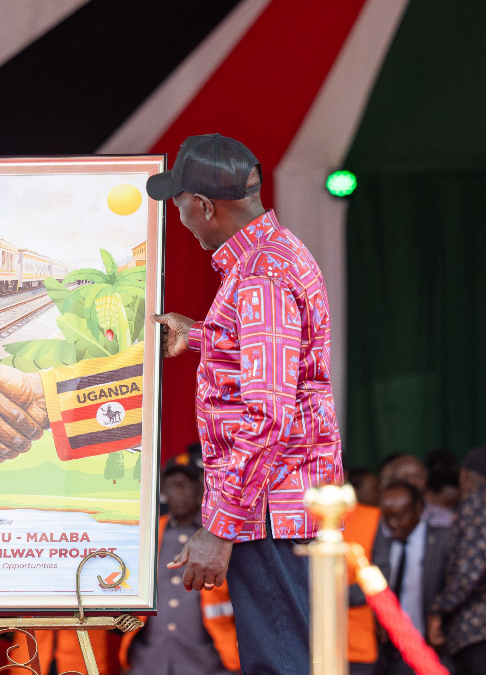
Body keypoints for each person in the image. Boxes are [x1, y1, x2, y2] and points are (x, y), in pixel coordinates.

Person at [147, 134, 342, 675]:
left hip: (271, 511)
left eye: (179, 202)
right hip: (280, 504)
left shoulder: (259, 276)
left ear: (205, 205)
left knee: (282, 663)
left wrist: (220, 526)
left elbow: (267, 413)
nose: (180, 215)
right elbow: (280, 363)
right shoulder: (273, 255)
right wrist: (203, 334)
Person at [119, 454, 239, 674]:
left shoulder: (219, 534)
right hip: (150, 659)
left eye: (185, 485)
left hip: (208, 660)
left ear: (199, 489)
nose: (179, 493)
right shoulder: (148, 532)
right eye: (173, 486)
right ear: (164, 491)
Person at [371, 482, 452, 674]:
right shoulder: (379, 542)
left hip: (433, 647)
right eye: (387, 518)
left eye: (401, 516)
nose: (393, 524)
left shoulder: (443, 540)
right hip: (388, 650)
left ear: (419, 508)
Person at [428, 447, 486, 675]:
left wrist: (438, 609)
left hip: (477, 629)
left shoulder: (476, 504)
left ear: (464, 476)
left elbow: (469, 571)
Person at [342, 493, 381, 675]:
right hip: (302, 643)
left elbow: (381, 575)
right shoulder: (289, 516)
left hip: (357, 646)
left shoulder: (372, 517)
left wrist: (326, 595)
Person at [380, 455, 454, 527]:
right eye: (405, 477)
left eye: (417, 476)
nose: (412, 482)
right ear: (392, 481)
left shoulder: (446, 517)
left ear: (426, 479)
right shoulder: (378, 520)